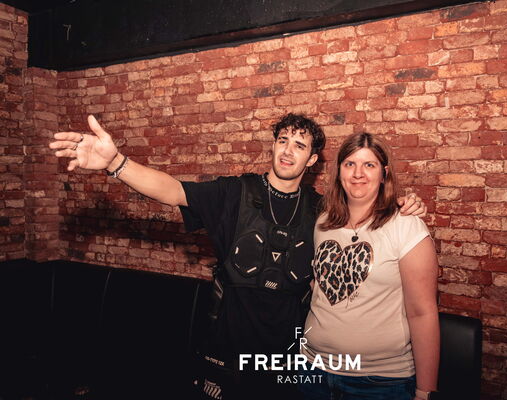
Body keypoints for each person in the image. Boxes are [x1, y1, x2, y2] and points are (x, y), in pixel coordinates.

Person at [49, 114, 427, 400]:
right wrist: (116, 162)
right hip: (225, 355)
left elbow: (365, 205)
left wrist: (403, 205)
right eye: (283, 140)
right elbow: (174, 190)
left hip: (290, 363)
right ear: (273, 146)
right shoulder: (234, 193)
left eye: (299, 145)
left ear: (312, 159)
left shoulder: (323, 213)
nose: (288, 150)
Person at [300, 132, 439, 400]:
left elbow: (422, 313)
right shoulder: (323, 223)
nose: (358, 173)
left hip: (378, 382)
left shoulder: (406, 226)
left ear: (384, 173)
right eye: (350, 164)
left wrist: (424, 391)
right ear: (339, 172)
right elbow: (320, 286)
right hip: (312, 369)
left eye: (369, 165)